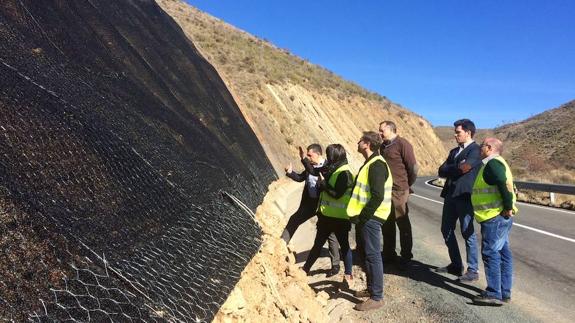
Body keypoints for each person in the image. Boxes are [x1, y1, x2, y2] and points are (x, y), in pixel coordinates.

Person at [347, 131, 392, 311]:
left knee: (373, 255)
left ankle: (377, 297)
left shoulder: (377, 165)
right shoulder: (370, 163)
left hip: (371, 217)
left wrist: (363, 217)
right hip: (365, 217)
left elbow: (378, 195)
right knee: (365, 254)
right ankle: (371, 289)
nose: (357, 142)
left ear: (367, 144)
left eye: (360, 140)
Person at [281, 144, 341, 276]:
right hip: (310, 204)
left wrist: (304, 159)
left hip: (323, 205)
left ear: (318, 154)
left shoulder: (326, 166)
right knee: (294, 219)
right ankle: (281, 243)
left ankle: (335, 265)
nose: (308, 157)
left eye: (310, 155)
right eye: (307, 155)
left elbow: (317, 172)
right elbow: (301, 178)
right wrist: (290, 173)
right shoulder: (310, 167)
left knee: (330, 234)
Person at [471, 138, 518, 305]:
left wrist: (507, 206)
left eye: (482, 145)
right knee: (504, 253)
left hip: (494, 217)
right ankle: (504, 292)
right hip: (500, 216)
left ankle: (493, 293)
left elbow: (503, 184)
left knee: (491, 253)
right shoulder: (498, 162)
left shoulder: (492, 164)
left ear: (489, 148)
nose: (480, 148)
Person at [436, 119, 481, 282]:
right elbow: (441, 170)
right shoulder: (454, 151)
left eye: (458, 132)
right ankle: (456, 264)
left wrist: (452, 169)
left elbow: (465, 168)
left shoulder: (476, 150)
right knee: (445, 228)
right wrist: (453, 169)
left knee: (467, 232)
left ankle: (473, 270)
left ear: (468, 133)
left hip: (465, 196)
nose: (455, 135)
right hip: (450, 195)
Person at [302, 144, 354, 283]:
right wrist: (304, 160)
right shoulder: (332, 168)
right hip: (326, 217)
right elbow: (313, 171)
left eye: (329, 155)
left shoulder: (345, 173)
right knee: (317, 244)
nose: (327, 158)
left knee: (344, 246)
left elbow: (337, 194)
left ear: (334, 156)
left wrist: (323, 185)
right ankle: (305, 270)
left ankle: (348, 274)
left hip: (340, 218)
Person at [378, 121, 418, 270]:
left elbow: (413, 167)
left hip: (399, 190)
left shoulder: (403, 144)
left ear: (391, 129)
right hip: (386, 190)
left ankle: (406, 256)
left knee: (402, 223)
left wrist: (406, 185)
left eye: (382, 131)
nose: (380, 134)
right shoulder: (383, 146)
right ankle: (389, 253)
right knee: (387, 223)